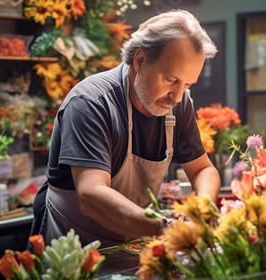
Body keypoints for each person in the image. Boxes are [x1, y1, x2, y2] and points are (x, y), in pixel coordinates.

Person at [29, 10, 221, 248]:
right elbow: (91, 195)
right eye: (171, 80)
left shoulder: (179, 106)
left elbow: (203, 169)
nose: (178, 96)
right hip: (71, 250)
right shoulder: (91, 102)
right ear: (140, 61)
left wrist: (200, 213)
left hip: (129, 246)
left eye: (187, 84)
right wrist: (167, 228)